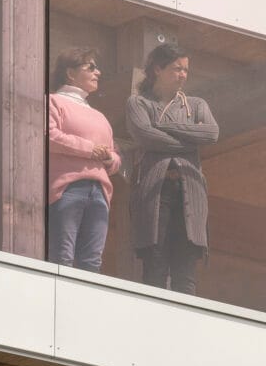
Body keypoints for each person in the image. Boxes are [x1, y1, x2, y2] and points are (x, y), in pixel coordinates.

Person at [123, 41, 220, 294]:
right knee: (154, 263)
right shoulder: (138, 103)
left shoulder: (196, 104)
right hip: (155, 189)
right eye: (177, 69)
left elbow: (211, 133)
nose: (183, 75)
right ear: (158, 69)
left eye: (186, 70)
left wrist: (164, 126)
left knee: (185, 269)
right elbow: (146, 136)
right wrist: (189, 143)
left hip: (190, 188)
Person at [45, 46, 119, 271]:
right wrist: (90, 149)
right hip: (67, 188)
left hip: (99, 191)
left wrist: (109, 158)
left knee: (92, 260)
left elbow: (114, 155)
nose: (98, 72)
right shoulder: (53, 101)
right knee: (63, 255)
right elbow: (49, 135)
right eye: (91, 67)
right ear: (70, 73)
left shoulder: (100, 116)